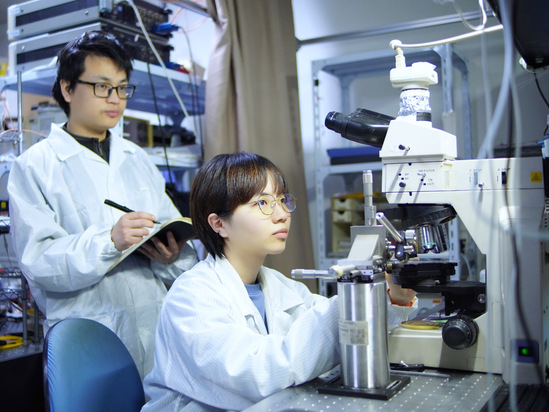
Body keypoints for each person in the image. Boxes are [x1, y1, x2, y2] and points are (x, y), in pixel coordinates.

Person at [142, 152, 417, 411]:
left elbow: (349, 335)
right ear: (219, 224)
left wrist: (393, 296)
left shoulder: (283, 287)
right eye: (263, 203)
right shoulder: (192, 295)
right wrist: (347, 305)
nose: (282, 214)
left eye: (283, 200)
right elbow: (256, 375)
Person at [7, 30, 198, 378]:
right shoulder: (35, 166)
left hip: (155, 327)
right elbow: (39, 261)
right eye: (102, 87)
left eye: (123, 88)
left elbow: (171, 233)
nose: (115, 99)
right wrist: (109, 241)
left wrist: (171, 256)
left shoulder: (137, 158)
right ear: (67, 89)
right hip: (87, 335)